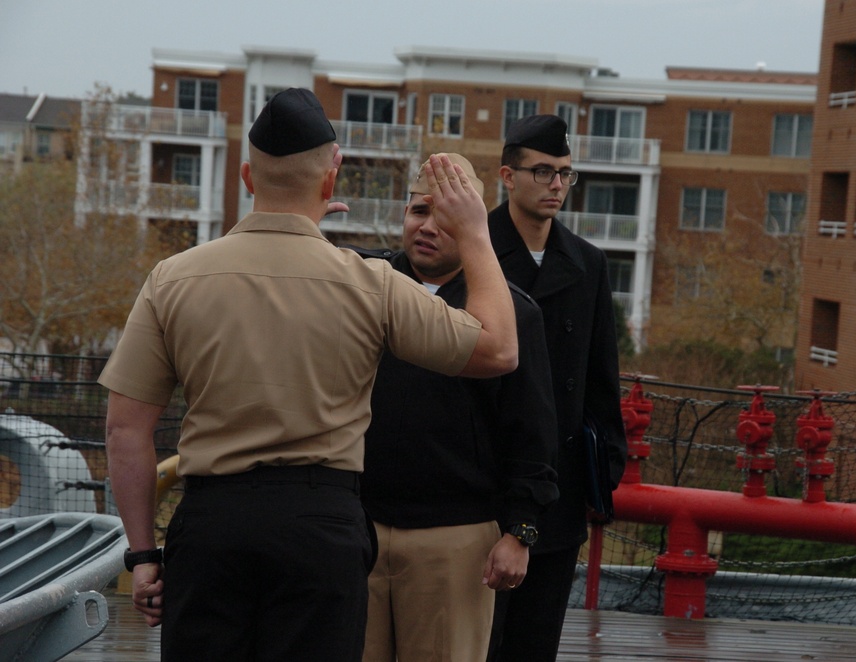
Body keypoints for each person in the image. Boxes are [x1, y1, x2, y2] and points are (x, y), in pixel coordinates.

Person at [99, 88, 518, 662]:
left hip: (212, 524)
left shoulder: (173, 279)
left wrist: (144, 554)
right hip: (321, 527)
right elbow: (498, 350)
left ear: (248, 176)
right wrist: (473, 233)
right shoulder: (370, 284)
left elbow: (125, 431)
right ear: (331, 179)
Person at [356, 153, 559, 662]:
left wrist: (520, 532)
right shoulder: (359, 288)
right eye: (418, 211)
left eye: (446, 217)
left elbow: (532, 433)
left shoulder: (512, 316)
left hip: (456, 536)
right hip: (357, 526)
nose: (427, 227)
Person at [487, 115, 628, 661]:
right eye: (542, 171)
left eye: (565, 175)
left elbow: (601, 377)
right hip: (487, 483)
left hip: (560, 490)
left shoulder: (587, 263)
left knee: (535, 643)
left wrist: (604, 474)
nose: (555, 186)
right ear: (508, 175)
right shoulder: (474, 251)